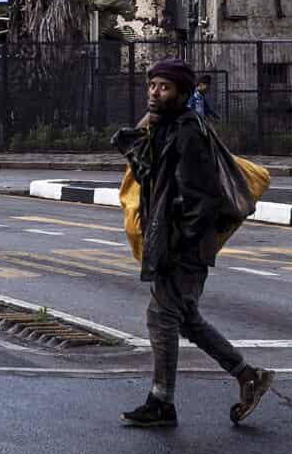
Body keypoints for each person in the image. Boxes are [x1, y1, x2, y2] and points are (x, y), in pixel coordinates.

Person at [111, 58, 275, 429]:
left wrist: (177, 245)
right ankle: (247, 375)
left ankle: (161, 401)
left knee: (161, 317)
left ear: (183, 95)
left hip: (182, 248)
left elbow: (200, 199)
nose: (155, 92)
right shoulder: (166, 127)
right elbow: (143, 168)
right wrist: (147, 125)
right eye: (152, 85)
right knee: (186, 320)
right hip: (175, 242)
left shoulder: (188, 132)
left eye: (164, 87)